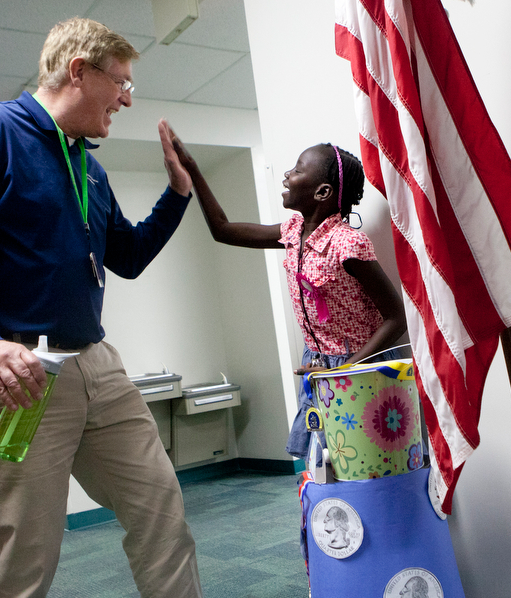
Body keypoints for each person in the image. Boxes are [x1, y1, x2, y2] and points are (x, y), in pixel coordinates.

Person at [0, 17, 204, 598]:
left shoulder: (89, 167)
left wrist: (177, 193)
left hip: (95, 364)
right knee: (26, 556)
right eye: (121, 82)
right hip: (14, 374)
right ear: (78, 70)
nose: (127, 98)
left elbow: (128, 256)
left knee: (162, 508)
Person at [158, 121, 407, 459]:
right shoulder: (293, 231)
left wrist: (343, 370)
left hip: (359, 368)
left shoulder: (347, 243)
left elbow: (396, 317)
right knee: (324, 465)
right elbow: (224, 230)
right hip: (318, 366)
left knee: (365, 467)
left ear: (322, 192)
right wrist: (193, 169)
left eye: (298, 169)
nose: (287, 174)